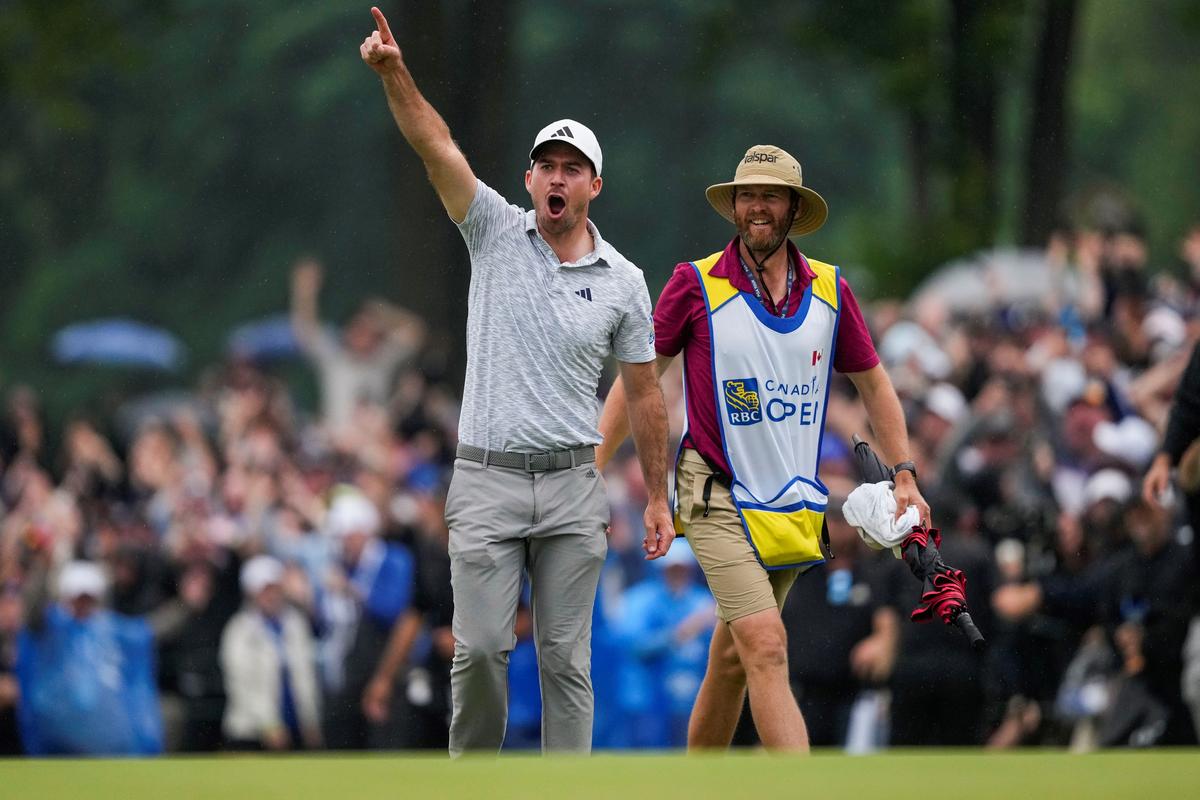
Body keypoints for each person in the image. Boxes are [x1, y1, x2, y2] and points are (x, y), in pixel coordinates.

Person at [359, 6, 672, 756]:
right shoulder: (493, 229)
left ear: (594, 184)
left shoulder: (625, 281)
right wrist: (394, 72)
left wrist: (657, 493)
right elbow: (435, 145)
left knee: (567, 661)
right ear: (529, 178)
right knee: (482, 651)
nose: (557, 179)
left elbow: (644, 391)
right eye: (546, 166)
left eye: (572, 169)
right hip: (487, 480)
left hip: (572, 485)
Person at [598, 144, 930, 751]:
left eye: (769, 196)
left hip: (790, 508)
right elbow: (640, 381)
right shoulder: (692, 283)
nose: (755, 206)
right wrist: (592, 467)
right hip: (712, 491)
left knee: (729, 665)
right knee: (767, 643)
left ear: (792, 209)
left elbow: (874, 382)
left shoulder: (831, 289)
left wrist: (903, 472)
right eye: (746, 195)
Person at [290, 257, 426, 434]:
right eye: (359, 329)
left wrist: (384, 315)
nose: (364, 336)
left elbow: (416, 332)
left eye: (370, 331)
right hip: (338, 446)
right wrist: (305, 292)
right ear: (348, 331)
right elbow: (305, 331)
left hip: (374, 444)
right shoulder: (335, 359)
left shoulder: (381, 360)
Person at [219, 555, 322, 751]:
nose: (271, 595)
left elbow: (305, 677)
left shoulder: (295, 623)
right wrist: (268, 724)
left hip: (295, 728)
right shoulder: (240, 629)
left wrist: (310, 720)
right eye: (265, 590)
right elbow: (241, 684)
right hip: (251, 732)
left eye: (275, 588)